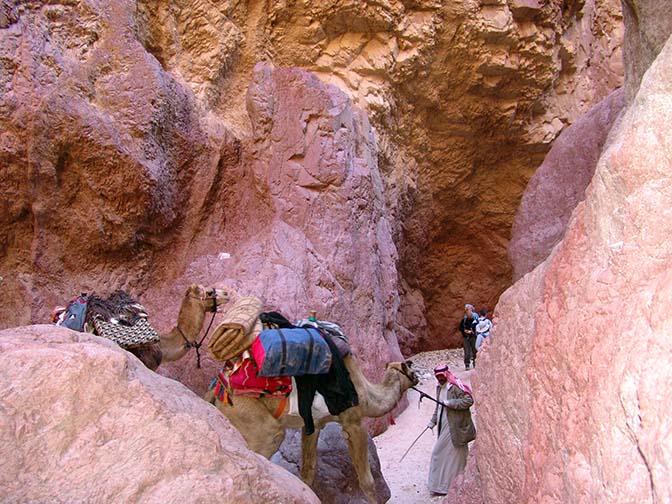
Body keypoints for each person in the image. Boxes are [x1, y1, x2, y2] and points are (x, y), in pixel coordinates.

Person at [426, 363, 476, 495]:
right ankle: (440, 486)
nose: (440, 379)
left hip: (455, 426)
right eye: (438, 377)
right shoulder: (439, 388)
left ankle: (452, 485)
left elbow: (468, 400)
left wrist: (452, 403)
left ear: (447, 374)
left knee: (450, 454)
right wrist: (433, 421)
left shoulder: (455, 387)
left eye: (442, 376)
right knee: (441, 454)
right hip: (444, 426)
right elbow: (439, 407)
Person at [459, 303, 478, 369]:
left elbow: (478, 326)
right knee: (467, 351)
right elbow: (461, 327)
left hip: (474, 337)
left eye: (468, 309)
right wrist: (465, 331)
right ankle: (467, 364)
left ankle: (475, 363)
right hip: (466, 337)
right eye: (466, 310)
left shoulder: (475, 318)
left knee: (474, 350)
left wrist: (473, 331)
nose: (467, 311)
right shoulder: (464, 319)